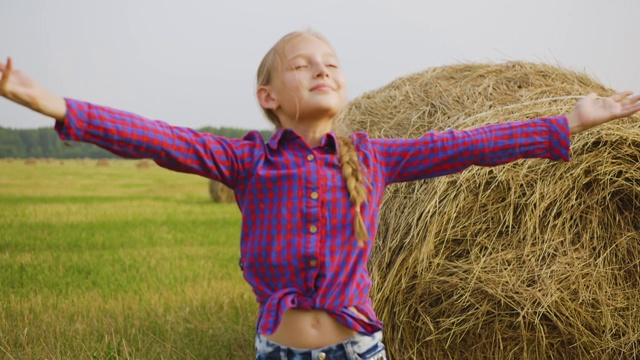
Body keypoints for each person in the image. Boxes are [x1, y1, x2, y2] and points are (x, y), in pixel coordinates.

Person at [1, 30, 639, 360]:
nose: (323, 68)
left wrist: (573, 120)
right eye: (303, 64)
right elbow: (156, 137)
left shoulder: (374, 155)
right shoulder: (244, 159)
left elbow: (471, 144)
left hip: (361, 349)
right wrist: (51, 104)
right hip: (277, 349)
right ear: (268, 97)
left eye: (331, 61)